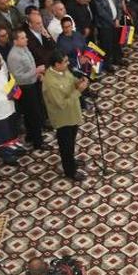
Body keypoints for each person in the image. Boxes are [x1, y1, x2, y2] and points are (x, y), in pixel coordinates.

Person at [42, 52, 89, 182]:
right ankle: (70, 171)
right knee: (65, 145)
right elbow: (61, 104)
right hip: (63, 118)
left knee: (71, 141)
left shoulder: (63, 71)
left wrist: (78, 82)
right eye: (65, 62)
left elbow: (71, 79)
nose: (68, 64)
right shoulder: (51, 82)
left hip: (72, 113)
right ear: (57, 64)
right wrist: (78, 91)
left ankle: (71, 161)